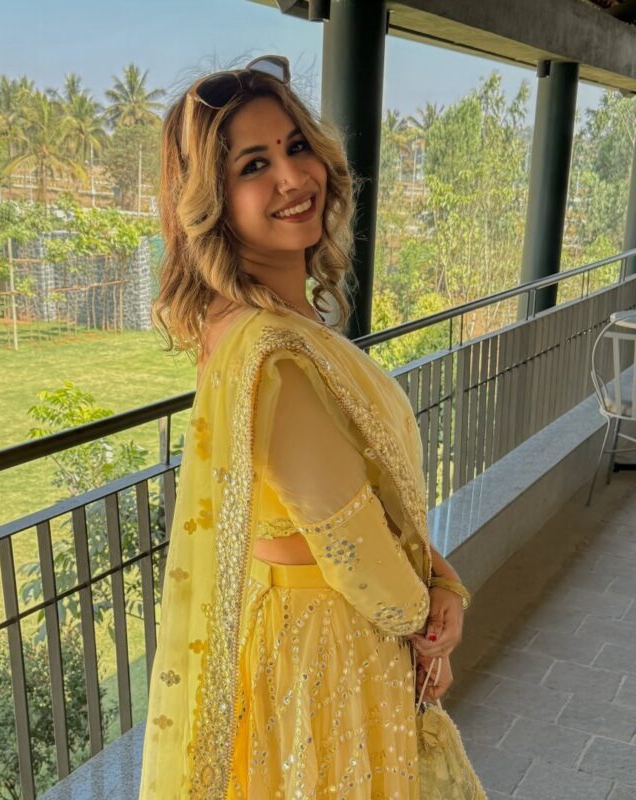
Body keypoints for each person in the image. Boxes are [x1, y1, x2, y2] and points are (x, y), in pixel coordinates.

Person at [139, 55, 474, 799]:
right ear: (214, 202)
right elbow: (351, 545)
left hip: (317, 626)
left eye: (296, 147)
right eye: (254, 165)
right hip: (327, 644)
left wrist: (443, 583)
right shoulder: (274, 357)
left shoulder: (272, 327)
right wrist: (425, 629)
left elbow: (365, 505)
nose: (293, 178)